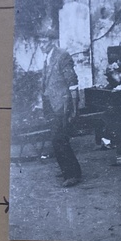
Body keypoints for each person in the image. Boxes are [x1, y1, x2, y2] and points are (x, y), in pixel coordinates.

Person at [40, 18, 81, 187]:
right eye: (40, 42)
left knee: (59, 139)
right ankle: (69, 170)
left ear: (52, 41)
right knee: (58, 139)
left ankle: (72, 175)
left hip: (62, 104)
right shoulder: (48, 57)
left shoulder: (62, 56)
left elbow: (72, 82)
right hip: (51, 104)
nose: (41, 45)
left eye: (44, 42)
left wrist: (74, 106)